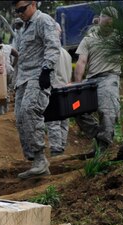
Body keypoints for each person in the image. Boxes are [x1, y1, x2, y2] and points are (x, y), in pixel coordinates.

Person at [12, 1, 60, 179]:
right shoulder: (24, 27)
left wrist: (47, 70)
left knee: (29, 111)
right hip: (23, 79)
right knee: (20, 118)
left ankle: (40, 160)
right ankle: (34, 160)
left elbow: (53, 46)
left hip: (37, 76)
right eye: (17, 11)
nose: (20, 13)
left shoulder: (43, 20)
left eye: (22, 9)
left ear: (33, 3)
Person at [73, 6, 121, 154]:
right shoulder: (89, 39)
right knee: (76, 108)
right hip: (91, 80)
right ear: (99, 19)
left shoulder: (120, 37)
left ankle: (104, 148)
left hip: (109, 77)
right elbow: (81, 62)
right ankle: (99, 137)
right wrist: (77, 85)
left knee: (106, 111)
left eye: (111, 22)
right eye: (105, 20)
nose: (107, 24)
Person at [46, 23, 72, 156]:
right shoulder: (66, 53)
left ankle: (56, 150)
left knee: (53, 120)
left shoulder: (51, 53)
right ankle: (61, 147)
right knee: (64, 121)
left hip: (55, 90)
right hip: (66, 90)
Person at [0, 35, 19, 115]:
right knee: (6, 88)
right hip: (8, 69)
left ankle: (1, 110)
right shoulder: (8, 47)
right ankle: (6, 108)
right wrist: (13, 65)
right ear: (2, 41)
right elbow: (17, 55)